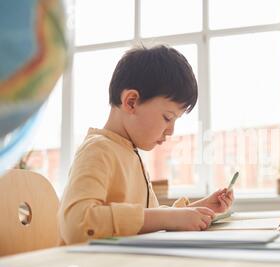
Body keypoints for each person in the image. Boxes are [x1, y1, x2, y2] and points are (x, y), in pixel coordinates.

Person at [58, 45, 234, 245]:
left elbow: (148, 220)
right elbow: (76, 224)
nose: (171, 131)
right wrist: (171, 218)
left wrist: (201, 208)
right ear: (131, 102)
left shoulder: (131, 153)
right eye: (167, 117)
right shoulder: (98, 150)